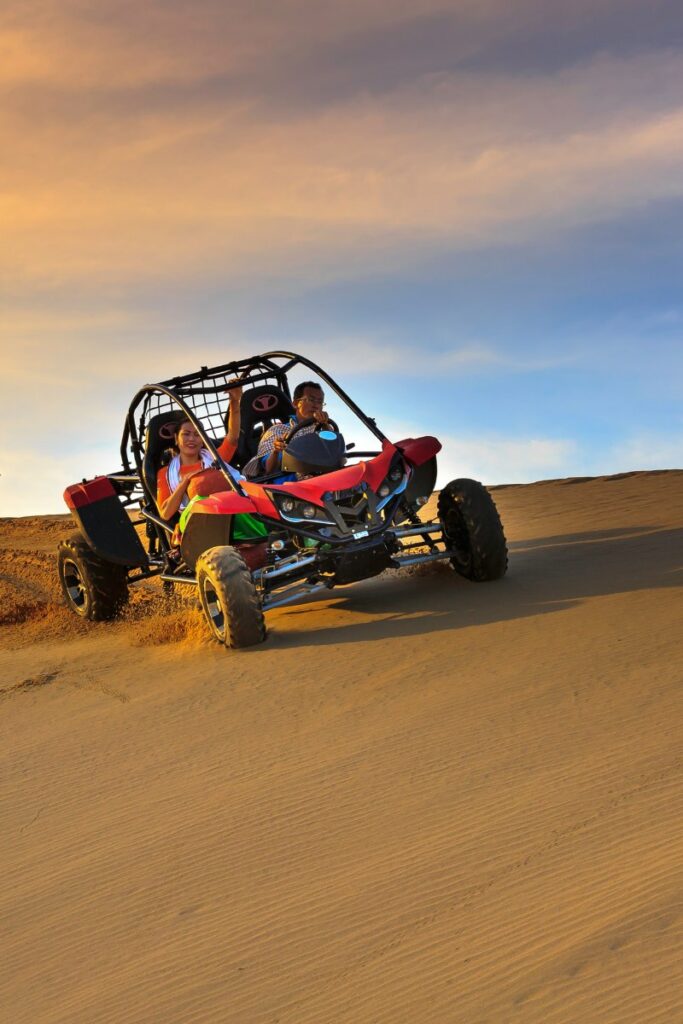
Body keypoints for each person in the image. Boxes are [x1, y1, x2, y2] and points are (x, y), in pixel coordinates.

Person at [156, 379, 243, 521]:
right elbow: (165, 514)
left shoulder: (215, 459)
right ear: (176, 439)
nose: (192, 439)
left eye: (197, 435)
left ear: (203, 440)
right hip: (194, 521)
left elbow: (233, 437)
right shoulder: (165, 473)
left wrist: (235, 402)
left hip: (228, 513)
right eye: (186, 434)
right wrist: (185, 483)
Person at [243, 380, 329, 479]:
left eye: (320, 402)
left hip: (323, 480)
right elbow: (269, 469)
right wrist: (276, 451)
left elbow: (335, 453)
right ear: (296, 403)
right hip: (288, 487)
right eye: (311, 400)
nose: (316, 405)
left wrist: (325, 424)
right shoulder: (278, 430)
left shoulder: (324, 430)